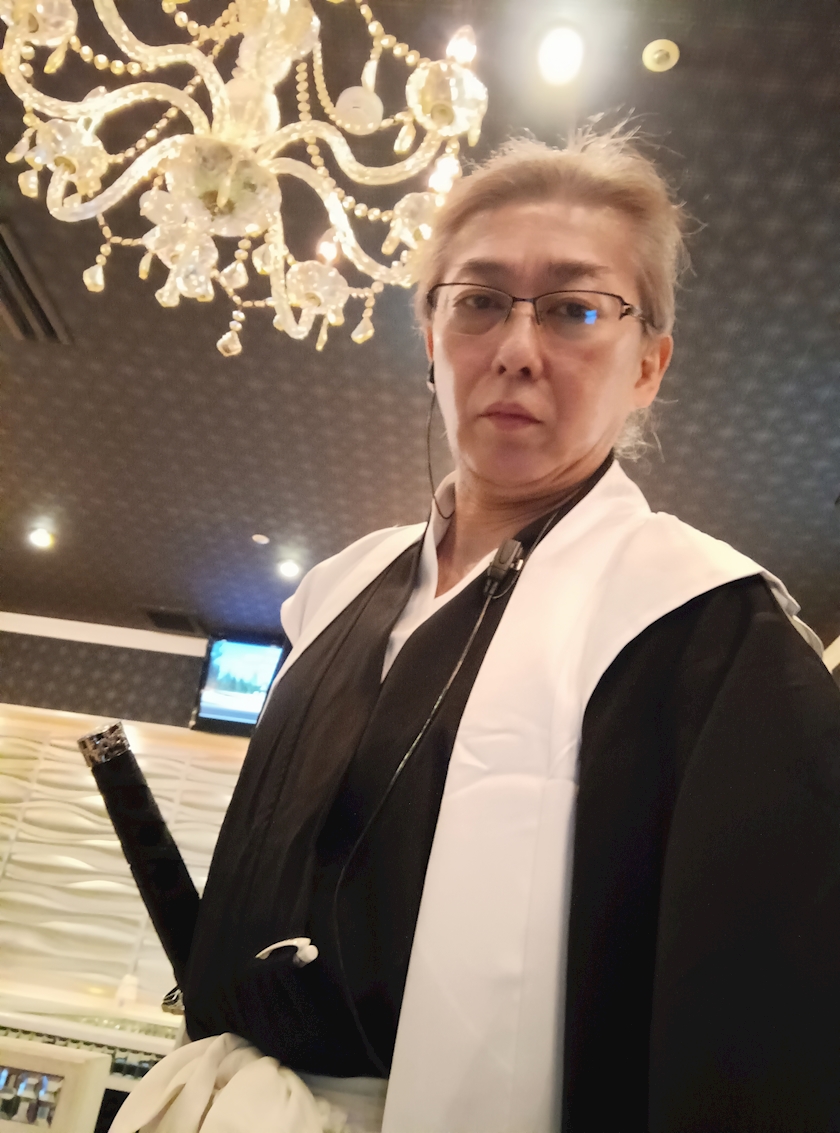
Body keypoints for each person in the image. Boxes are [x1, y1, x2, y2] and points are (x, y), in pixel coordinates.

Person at [112, 131, 840, 1133]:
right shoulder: (338, 591)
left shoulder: (707, 628)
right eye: (480, 300)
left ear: (648, 364)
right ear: (430, 333)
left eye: (576, 309)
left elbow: (758, 1030)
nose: (516, 349)